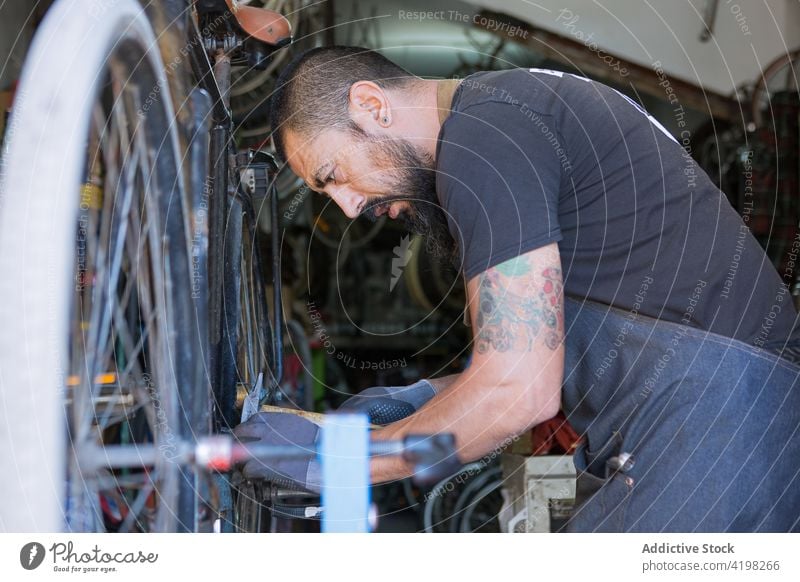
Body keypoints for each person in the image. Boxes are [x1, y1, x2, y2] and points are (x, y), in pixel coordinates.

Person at [234, 46, 800, 531]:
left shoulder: (483, 139)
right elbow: (535, 355)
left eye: (334, 175)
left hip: (717, 427)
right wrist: (420, 402)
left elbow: (519, 392)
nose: (350, 208)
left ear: (372, 105)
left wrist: (342, 461)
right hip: (718, 420)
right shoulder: (505, 112)